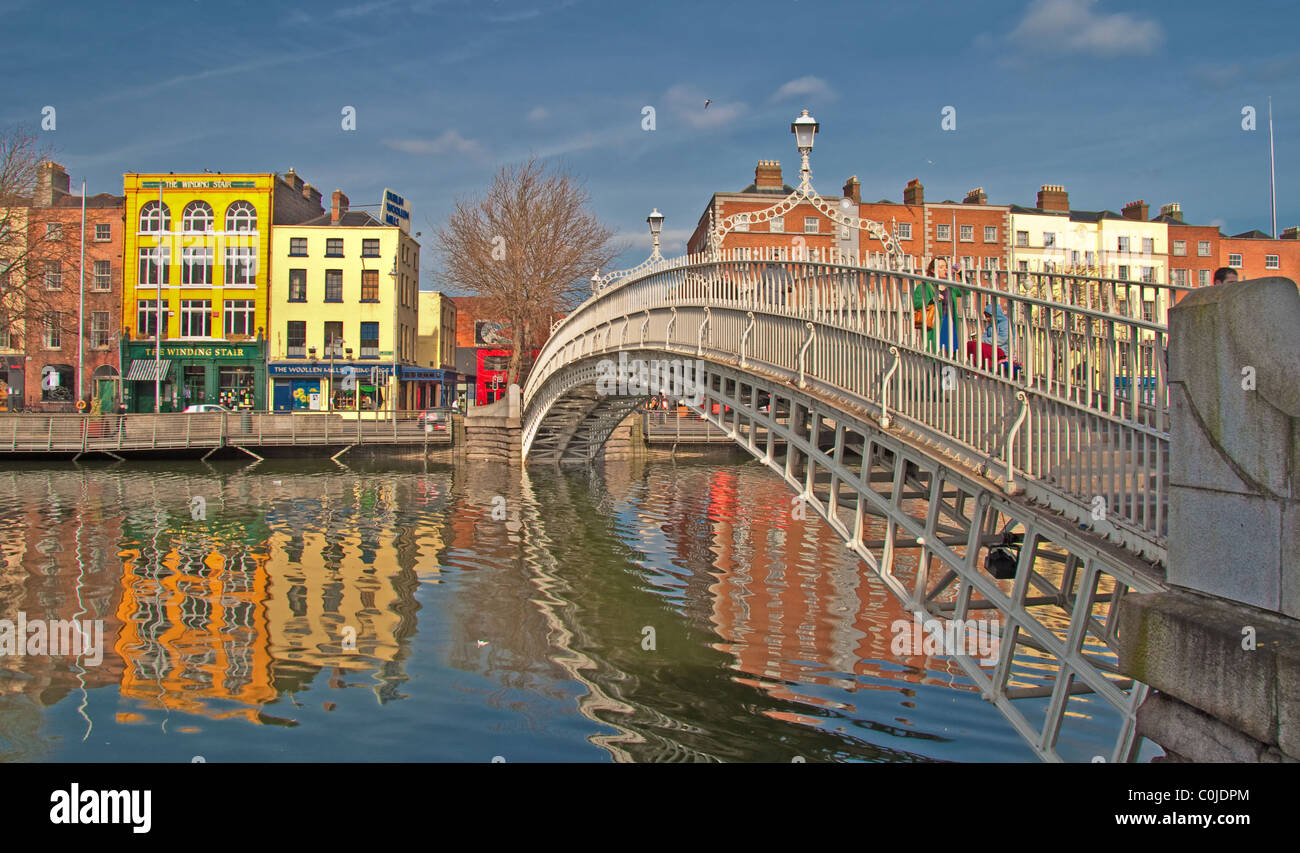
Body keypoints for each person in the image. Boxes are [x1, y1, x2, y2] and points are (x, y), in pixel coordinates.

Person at [913, 256, 964, 352]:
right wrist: (931, 300)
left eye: (945, 267)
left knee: (951, 354)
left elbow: (966, 291)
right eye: (941, 267)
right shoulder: (925, 286)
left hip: (950, 322)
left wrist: (961, 273)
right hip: (935, 324)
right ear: (933, 270)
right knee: (937, 352)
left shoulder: (950, 286)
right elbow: (916, 303)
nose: (944, 269)